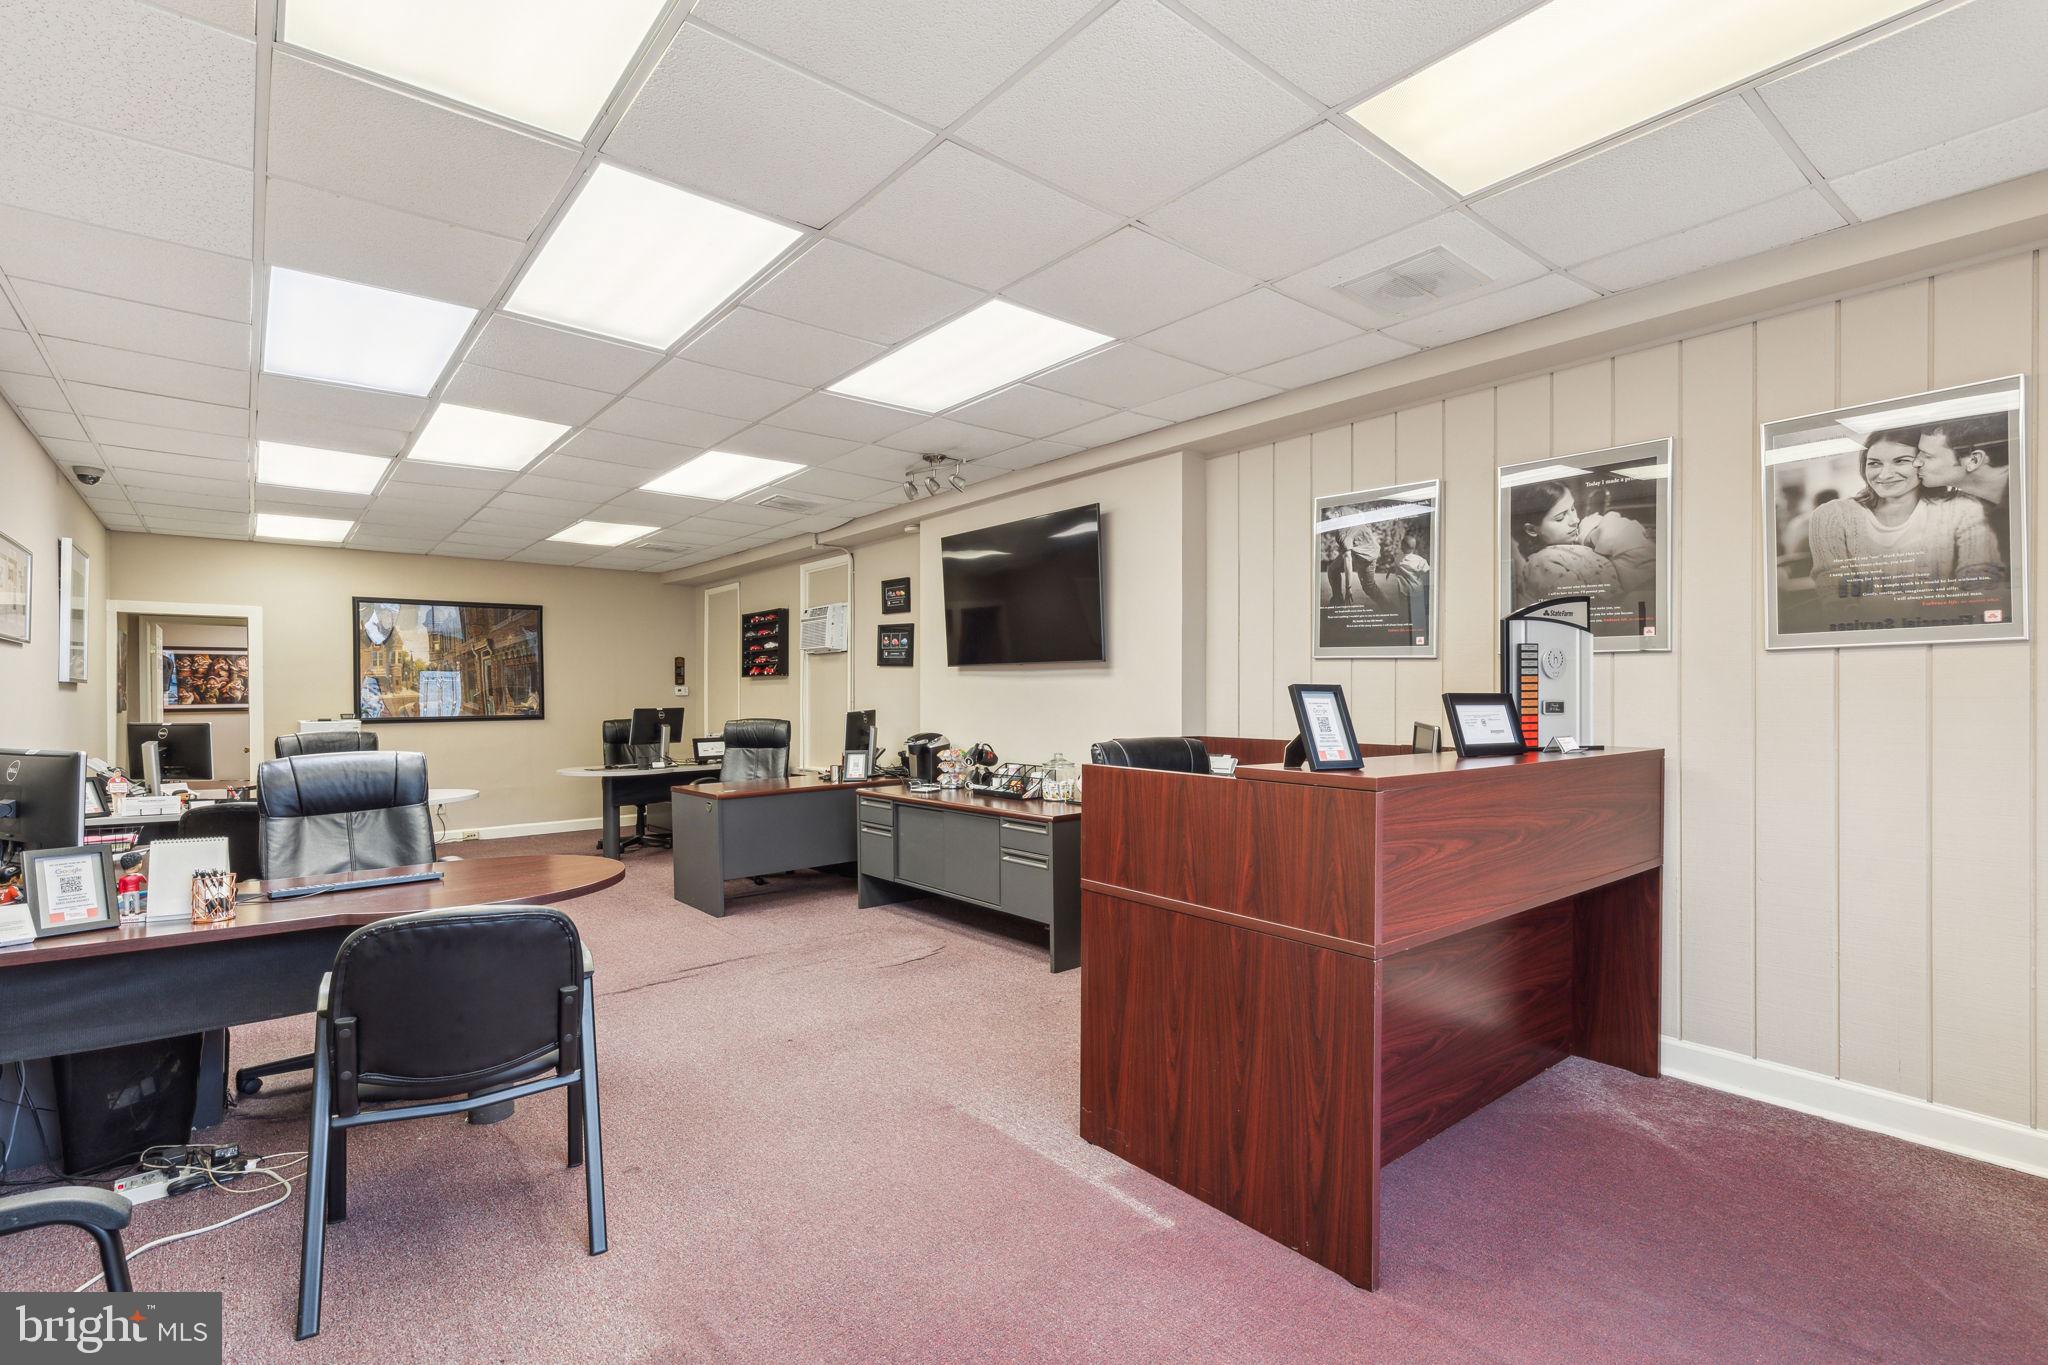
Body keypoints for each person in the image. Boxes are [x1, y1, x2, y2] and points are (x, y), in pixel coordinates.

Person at [1805, 426, 2001, 627]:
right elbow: (1834, 596)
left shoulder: (1962, 508)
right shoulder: (1831, 516)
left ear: (1921, 462)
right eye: (1874, 463)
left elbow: (1980, 585)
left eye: (1900, 461)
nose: (1884, 475)